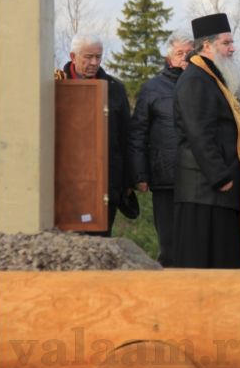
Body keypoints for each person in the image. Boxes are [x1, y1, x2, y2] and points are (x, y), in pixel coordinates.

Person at [173, 13, 240, 268]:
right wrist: (220, 176)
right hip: (204, 189)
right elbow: (199, 133)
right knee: (203, 262)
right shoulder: (195, 79)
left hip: (216, 190)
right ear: (207, 45)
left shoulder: (211, 78)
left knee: (222, 260)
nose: (232, 48)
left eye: (232, 42)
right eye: (226, 43)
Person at [55, 35, 132, 237]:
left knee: (100, 242)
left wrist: (127, 181)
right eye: (88, 57)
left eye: (98, 57)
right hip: (67, 184)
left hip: (106, 183)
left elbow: (126, 136)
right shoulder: (56, 85)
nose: (94, 63)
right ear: (73, 56)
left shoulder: (115, 88)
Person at [129, 34, 194, 266]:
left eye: (189, 52)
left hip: (199, 178)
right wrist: (140, 174)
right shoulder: (152, 88)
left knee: (194, 241)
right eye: (180, 53)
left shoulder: (204, 84)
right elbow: (138, 132)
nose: (185, 58)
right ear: (169, 57)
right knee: (169, 242)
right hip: (165, 176)